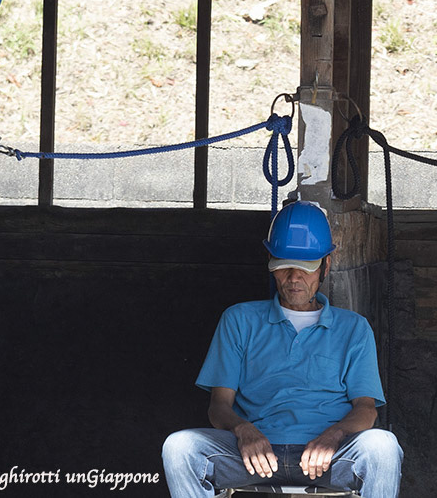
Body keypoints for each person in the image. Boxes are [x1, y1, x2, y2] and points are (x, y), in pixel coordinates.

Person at [162, 200, 403, 498]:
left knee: (383, 447)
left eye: (306, 268)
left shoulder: (353, 328)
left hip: (331, 455)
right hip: (251, 454)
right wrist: (244, 431)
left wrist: (333, 436)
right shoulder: (239, 319)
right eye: (283, 266)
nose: (293, 278)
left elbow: (366, 409)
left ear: (327, 263)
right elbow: (219, 406)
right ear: (270, 261)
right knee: (180, 447)